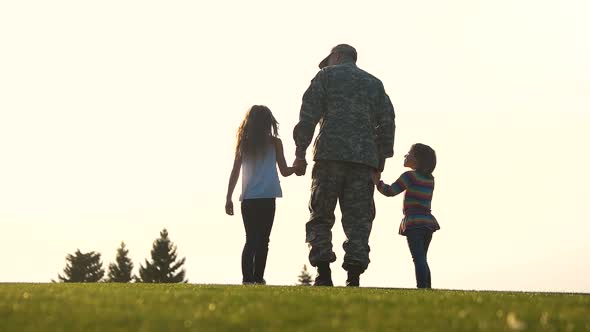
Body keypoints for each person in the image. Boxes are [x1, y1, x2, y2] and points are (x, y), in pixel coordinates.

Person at [292, 44, 396, 286]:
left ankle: (324, 273)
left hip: (330, 155)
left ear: (337, 56)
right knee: (359, 220)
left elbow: (307, 116)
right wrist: (380, 160)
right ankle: (354, 276)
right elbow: (388, 122)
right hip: (363, 160)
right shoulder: (374, 84)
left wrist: (300, 153)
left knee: (320, 216)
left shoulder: (325, 76)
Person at [225, 105, 295, 285]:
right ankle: (258, 278)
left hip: (248, 199)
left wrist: (228, 197)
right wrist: (297, 168)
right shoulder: (275, 143)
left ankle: (247, 279)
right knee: (263, 240)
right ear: (268, 122)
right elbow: (285, 171)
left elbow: (234, 171)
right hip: (268, 197)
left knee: (251, 239)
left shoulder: (244, 143)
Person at [373, 143, 440, 289]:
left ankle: (422, 287)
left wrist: (377, 183)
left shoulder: (410, 176)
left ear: (417, 160)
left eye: (409, 153)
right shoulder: (430, 179)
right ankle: (427, 287)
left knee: (418, 258)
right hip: (428, 222)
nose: (405, 156)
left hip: (414, 223)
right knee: (422, 258)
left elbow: (391, 191)